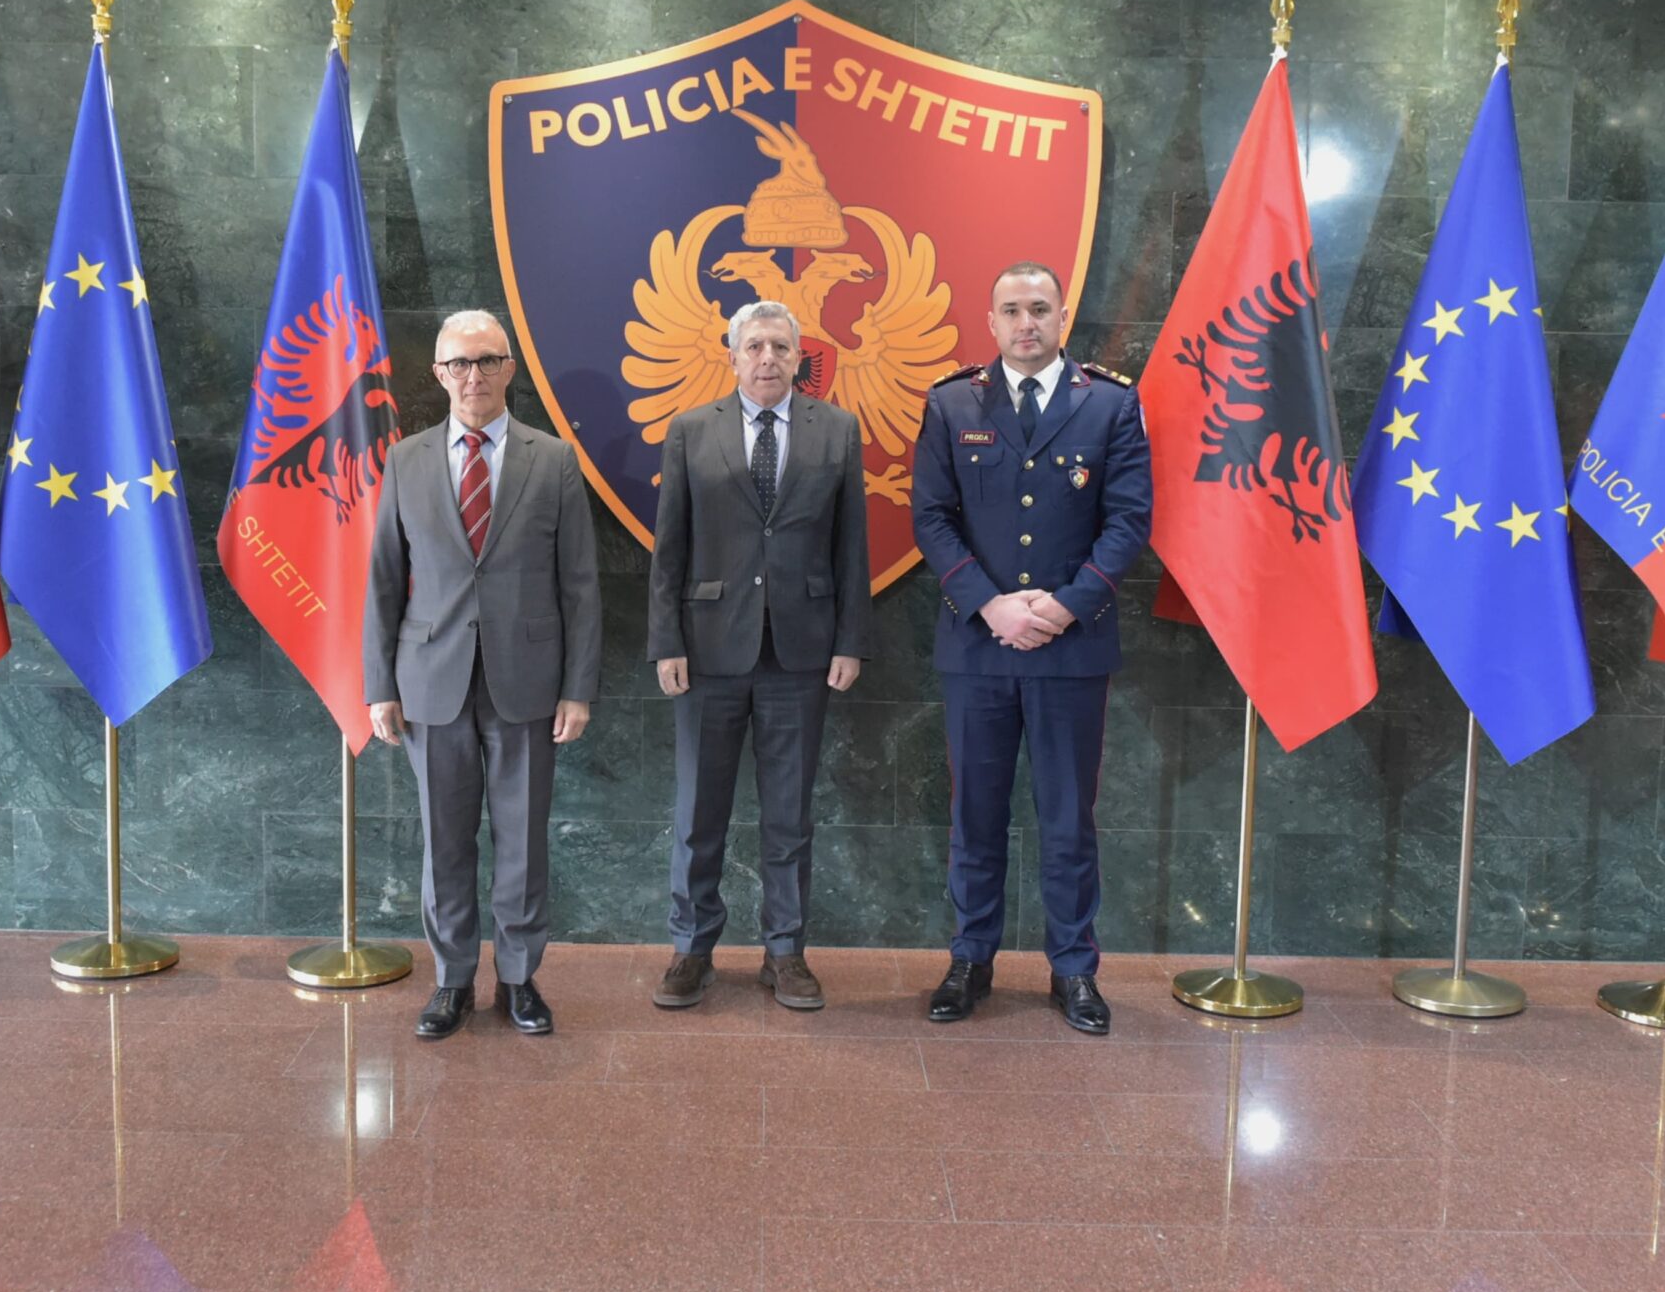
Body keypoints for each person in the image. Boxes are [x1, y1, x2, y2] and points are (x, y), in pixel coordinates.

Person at [911, 263, 1151, 1034]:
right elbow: (931, 516)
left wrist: (1063, 606)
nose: (1026, 323)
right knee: (974, 814)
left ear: (1062, 316)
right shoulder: (952, 403)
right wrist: (991, 604)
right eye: (1011, 309)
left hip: (1068, 649)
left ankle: (1074, 967)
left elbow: (1128, 520)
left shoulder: (1110, 403)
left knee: (1068, 819)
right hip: (978, 647)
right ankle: (970, 958)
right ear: (991, 320)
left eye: (1039, 308)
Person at [365, 310, 602, 1040]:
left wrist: (578, 687)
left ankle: (520, 980)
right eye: (460, 363)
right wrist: (379, 686)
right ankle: (452, 981)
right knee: (445, 841)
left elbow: (581, 585)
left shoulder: (553, 460)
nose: (475, 376)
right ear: (439, 374)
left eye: (488, 360)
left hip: (527, 682)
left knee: (523, 840)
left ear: (510, 369)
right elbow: (382, 580)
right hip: (429, 680)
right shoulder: (405, 461)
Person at [646, 300, 871, 1012]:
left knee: (790, 814)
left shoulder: (836, 429)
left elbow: (852, 546)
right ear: (733, 356)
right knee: (697, 812)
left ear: (799, 357)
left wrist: (850, 640)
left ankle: (785, 952)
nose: (767, 358)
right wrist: (666, 641)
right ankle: (691, 948)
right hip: (707, 649)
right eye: (754, 346)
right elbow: (670, 547)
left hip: (801, 652)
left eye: (780, 346)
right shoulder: (691, 430)